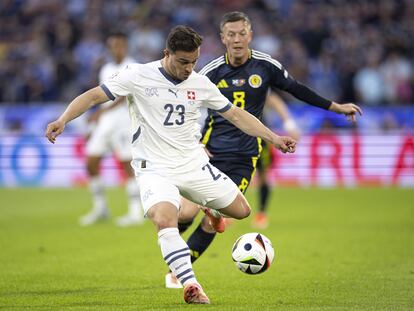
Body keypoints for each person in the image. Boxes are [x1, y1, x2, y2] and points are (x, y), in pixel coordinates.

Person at [45, 25, 297, 304]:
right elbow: (93, 96)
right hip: (153, 167)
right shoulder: (138, 75)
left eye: (194, 62)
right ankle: (190, 284)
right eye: (183, 62)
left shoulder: (200, 83)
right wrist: (63, 119)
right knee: (164, 220)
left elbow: (236, 115)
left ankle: (210, 207)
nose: (189, 68)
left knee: (241, 211)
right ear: (167, 54)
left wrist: (273, 137)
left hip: (192, 164)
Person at [165, 11, 362, 289]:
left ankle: (177, 273)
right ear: (222, 38)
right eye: (230, 34)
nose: (236, 39)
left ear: (250, 35)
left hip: (245, 156)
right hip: (209, 153)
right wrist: (194, 142)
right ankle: (173, 243)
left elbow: (297, 89)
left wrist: (336, 106)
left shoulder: (265, 66)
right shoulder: (209, 71)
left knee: (216, 218)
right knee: (185, 214)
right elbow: (186, 106)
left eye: (241, 33)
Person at [80, 31, 143, 227]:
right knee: (91, 163)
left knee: (127, 165)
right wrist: (96, 121)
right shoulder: (106, 68)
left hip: (125, 122)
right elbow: (102, 94)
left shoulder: (134, 67)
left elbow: (124, 94)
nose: (116, 49)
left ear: (125, 46)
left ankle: (135, 212)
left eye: (120, 45)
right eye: (113, 45)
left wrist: (101, 112)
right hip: (106, 123)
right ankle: (101, 209)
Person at [252, 92, 301, 229]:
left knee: (263, 174)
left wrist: (289, 124)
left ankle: (261, 213)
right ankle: (226, 214)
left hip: (261, 136)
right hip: (231, 136)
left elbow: (273, 100)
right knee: (229, 173)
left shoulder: (255, 77)